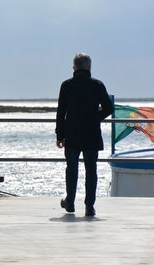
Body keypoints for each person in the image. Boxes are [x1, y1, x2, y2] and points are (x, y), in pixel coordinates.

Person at [55, 53, 113, 216]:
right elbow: (109, 108)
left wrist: (60, 135)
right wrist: (95, 117)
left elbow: (61, 112)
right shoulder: (97, 84)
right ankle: (89, 206)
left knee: (72, 168)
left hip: (72, 132)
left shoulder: (66, 85)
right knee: (91, 170)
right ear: (89, 67)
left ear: (74, 68)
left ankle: (70, 203)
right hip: (91, 132)